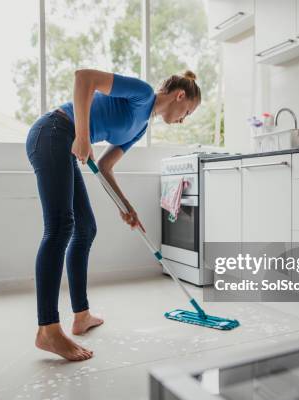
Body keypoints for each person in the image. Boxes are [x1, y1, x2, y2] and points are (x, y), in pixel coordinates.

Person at [26, 69, 202, 361]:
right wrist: (83, 136)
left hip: (66, 142)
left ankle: (81, 315)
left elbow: (106, 166)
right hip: (53, 131)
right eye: (188, 111)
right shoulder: (142, 94)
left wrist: (126, 206)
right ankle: (48, 329)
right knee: (60, 227)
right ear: (180, 95)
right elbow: (84, 78)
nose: (185, 118)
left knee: (85, 229)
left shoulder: (140, 128)